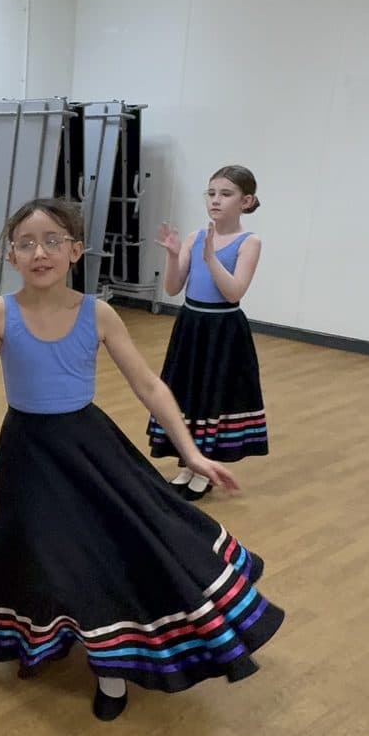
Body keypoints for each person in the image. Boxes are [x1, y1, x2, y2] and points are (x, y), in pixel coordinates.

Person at [0, 198, 283, 722]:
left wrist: (191, 452)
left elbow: (147, 384)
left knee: (96, 552)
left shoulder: (97, 313)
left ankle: (112, 668)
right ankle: (40, 639)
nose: (40, 252)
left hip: (89, 448)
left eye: (53, 240)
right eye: (26, 243)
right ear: (11, 256)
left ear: (76, 251)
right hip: (27, 454)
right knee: (35, 549)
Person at [151, 165, 268, 500]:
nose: (215, 200)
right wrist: (174, 256)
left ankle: (208, 463)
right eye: (212, 193)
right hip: (191, 326)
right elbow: (173, 288)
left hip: (223, 331)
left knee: (214, 396)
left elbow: (234, 292)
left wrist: (212, 258)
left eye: (225, 194)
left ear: (245, 201)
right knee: (187, 394)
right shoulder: (195, 236)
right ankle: (188, 462)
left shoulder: (250, 242)